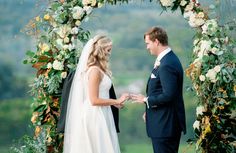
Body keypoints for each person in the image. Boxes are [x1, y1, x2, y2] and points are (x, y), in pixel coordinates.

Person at [63, 34, 128, 153]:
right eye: (108, 50)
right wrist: (116, 101)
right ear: (101, 50)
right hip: (95, 115)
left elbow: (102, 95)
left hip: (103, 112)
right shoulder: (94, 71)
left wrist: (114, 104)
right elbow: (93, 100)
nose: (109, 53)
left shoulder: (99, 69)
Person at [131, 26, 186, 153]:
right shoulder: (167, 59)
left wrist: (146, 100)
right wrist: (149, 111)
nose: (147, 47)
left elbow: (168, 95)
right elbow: (160, 90)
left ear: (156, 41)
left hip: (166, 125)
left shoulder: (167, 64)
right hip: (162, 123)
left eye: (148, 43)